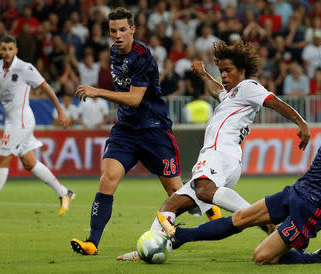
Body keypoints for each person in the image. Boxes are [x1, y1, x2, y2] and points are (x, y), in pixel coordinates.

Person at [156, 40, 321, 266]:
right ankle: (180, 236)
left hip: (315, 207)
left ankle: (304, 256)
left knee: (262, 257)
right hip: (297, 191)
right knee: (243, 217)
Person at [118, 39, 311, 261]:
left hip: (220, 154)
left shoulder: (249, 87)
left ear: (243, 70)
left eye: (228, 70)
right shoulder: (232, 95)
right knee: (171, 204)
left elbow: (273, 101)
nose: (224, 75)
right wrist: (203, 73)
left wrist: (301, 122)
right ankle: (149, 248)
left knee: (203, 189)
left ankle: (260, 216)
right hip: (223, 158)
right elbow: (216, 90)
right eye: (221, 71)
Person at [69, 8, 220, 257]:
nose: (117, 35)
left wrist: (98, 92)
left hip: (154, 131)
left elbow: (135, 98)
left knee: (175, 190)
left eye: (121, 30)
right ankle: (92, 243)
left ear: (132, 30)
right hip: (126, 130)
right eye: (112, 31)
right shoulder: (113, 52)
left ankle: (208, 207)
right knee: (107, 179)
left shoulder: (142, 56)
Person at [0, 35, 74, 217]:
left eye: (10, 49)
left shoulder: (25, 68)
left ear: (15, 50)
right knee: (29, 162)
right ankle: (64, 192)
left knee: (2, 160)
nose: (7, 52)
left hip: (21, 121)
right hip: (11, 120)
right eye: (4, 49)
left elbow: (46, 87)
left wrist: (61, 112)